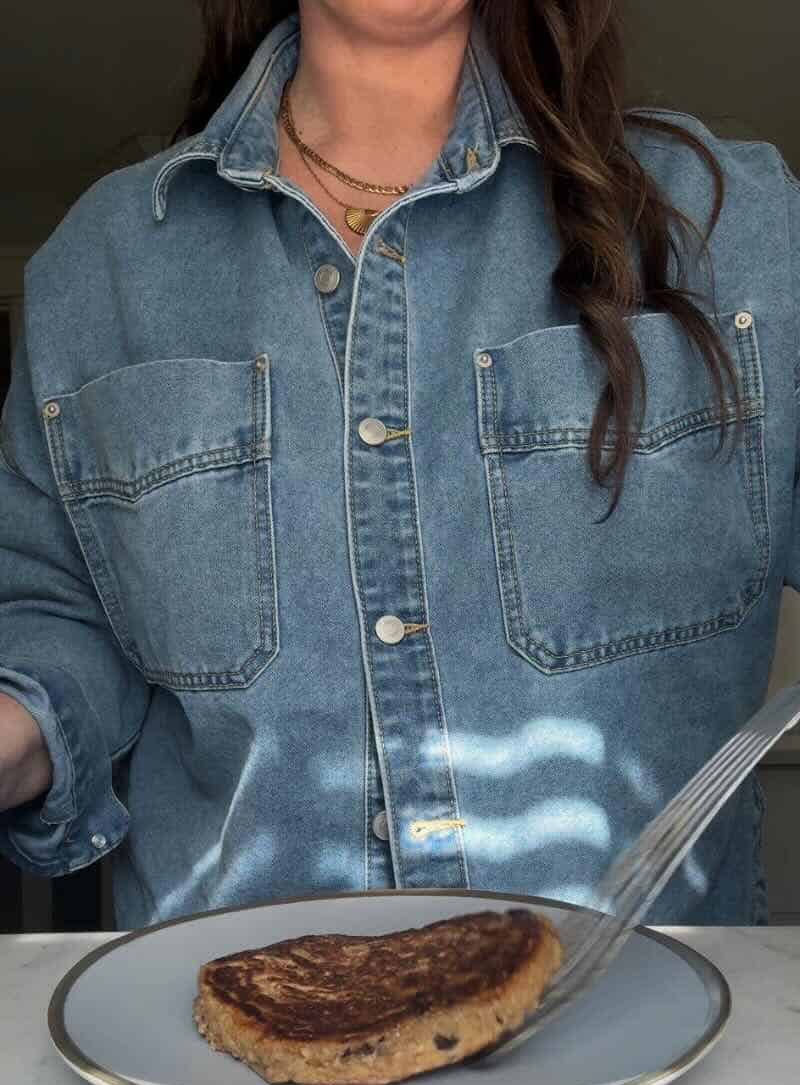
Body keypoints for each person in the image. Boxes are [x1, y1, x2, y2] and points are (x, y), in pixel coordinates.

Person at [0, 0, 798, 931]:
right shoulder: (98, 270)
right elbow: (61, 613)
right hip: (227, 1007)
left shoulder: (737, 224)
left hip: (660, 1010)